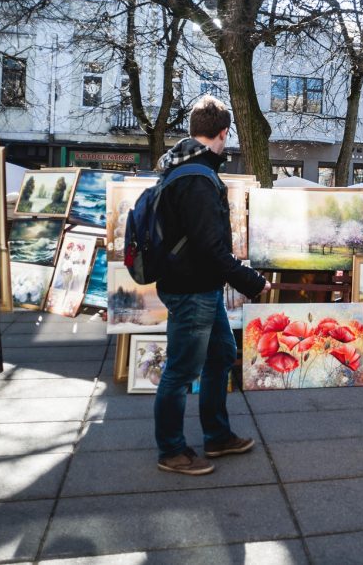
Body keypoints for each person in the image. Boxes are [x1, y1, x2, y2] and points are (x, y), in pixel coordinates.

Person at [153, 96, 270, 475]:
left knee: (220, 355)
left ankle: (217, 437)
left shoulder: (182, 168)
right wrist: (251, 281)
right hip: (191, 288)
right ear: (223, 133)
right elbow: (209, 247)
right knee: (182, 370)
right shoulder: (198, 179)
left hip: (196, 285)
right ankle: (171, 450)